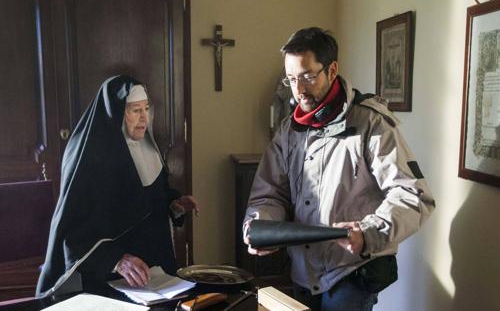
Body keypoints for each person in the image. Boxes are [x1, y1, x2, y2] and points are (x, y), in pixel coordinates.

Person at [243, 27, 435, 311]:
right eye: (292, 79)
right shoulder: (288, 131)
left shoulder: (372, 124)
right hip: (302, 271)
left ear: (332, 70)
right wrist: (261, 226)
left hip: (351, 273)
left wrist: (368, 232)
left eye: (308, 77)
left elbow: (413, 197)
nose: (298, 90)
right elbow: (270, 194)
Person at [36, 75, 199, 298]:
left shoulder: (149, 149)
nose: (144, 118)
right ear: (115, 114)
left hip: (156, 274)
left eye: (146, 109)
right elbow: (72, 233)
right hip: (108, 278)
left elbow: (153, 200)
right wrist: (116, 260)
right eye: (135, 110)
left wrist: (176, 205)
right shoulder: (87, 159)